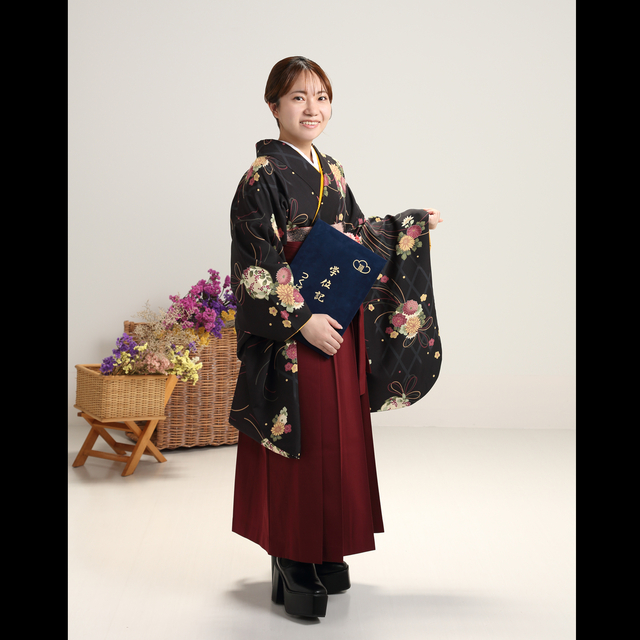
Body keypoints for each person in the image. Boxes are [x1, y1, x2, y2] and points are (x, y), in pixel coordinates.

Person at [229, 56, 443, 619]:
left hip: (339, 323)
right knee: (301, 435)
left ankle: (326, 549)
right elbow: (257, 260)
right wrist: (302, 320)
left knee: (337, 436)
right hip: (294, 333)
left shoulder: (333, 171)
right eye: (298, 97)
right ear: (274, 105)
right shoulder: (261, 177)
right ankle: (292, 556)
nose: (312, 109)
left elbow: (358, 237)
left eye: (321, 97)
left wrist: (408, 225)